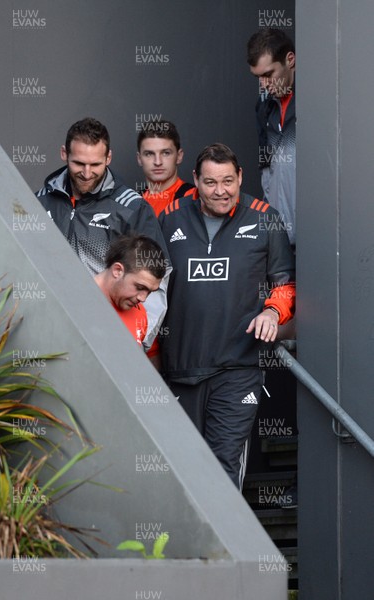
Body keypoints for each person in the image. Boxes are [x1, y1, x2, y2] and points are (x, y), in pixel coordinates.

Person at [158, 143, 295, 490]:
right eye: (210, 183)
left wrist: (272, 311)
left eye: (228, 181)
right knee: (181, 472)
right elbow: (149, 286)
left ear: (240, 177)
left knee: (223, 469)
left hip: (237, 371)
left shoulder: (265, 218)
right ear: (195, 180)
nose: (221, 191)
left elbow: (287, 284)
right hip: (180, 371)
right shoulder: (168, 217)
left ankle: (224, 547)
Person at [36, 117, 170, 349]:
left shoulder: (132, 207)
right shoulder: (40, 200)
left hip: (107, 337)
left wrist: (139, 336)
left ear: (108, 157)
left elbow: (159, 277)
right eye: (79, 163)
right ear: (63, 153)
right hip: (50, 329)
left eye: (96, 165)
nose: (87, 173)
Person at [247, 28, 296, 248]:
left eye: (268, 74)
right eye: (258, 77)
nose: (264, 84)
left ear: (290, 60)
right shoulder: (264, 107)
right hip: (281, 238)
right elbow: (267, 173)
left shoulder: (317, 100)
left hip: (319, 232)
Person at [94, 235, 166, 351]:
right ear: (117, 271)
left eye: (150, 292)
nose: (143, 298)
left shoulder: (140, 315)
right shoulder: (75, 300)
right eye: (139, 287)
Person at [137, 120, 195, 217]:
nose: (158, 162)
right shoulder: (132, 201)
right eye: (149, 154)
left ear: (179, 156)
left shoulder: (194, 197)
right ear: (139, 159)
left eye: (166, 153)